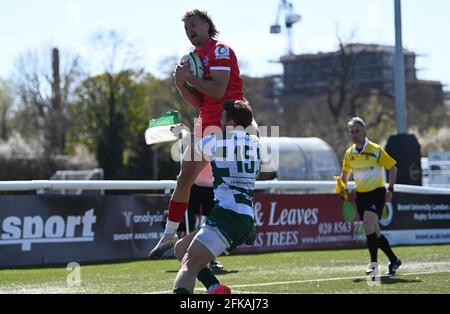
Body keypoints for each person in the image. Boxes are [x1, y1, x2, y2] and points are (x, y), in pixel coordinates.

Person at [148, 9, 247, 259]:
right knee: (184, 178)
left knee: (226, 183)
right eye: (186, 28)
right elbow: (199, 100)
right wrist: (181, 84)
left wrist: (189, 77)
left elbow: (219, 89)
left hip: (228, 125)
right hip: (206, 124)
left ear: (207, 25)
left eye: (194, 24)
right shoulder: (192, 57)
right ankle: (170, 233)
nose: (190, 30)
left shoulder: (220, 50)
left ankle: (243, 223)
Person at [172, 99, 260, 294]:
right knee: (181, 249)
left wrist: (182, 133)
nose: (219, 123)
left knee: (188, 265)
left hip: (227, 216)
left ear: (230, 123)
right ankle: (215, 288)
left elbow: (194, 145)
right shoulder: (256, 143)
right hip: (244, 218)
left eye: (222, 119)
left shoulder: (220, 141)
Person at [338, 117, 402, 276]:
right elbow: (345, 174)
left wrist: (390, 189)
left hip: (377, 193)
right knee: (375, 232)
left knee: (367, 224)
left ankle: (373, 265)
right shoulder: (349, 153)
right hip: (361, 195)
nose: (354, 134)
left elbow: (393, 168)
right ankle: (394, 260)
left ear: (365, 131)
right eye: (351, 132)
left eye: (357, 131)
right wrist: (342, 187)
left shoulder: (375, 149)